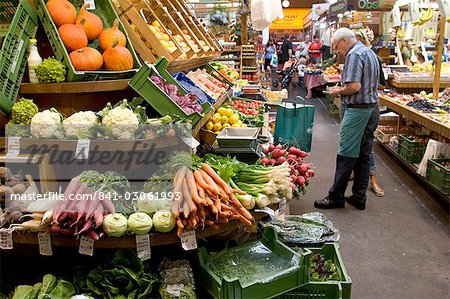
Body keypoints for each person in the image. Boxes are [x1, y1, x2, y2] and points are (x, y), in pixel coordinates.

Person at [314, 28, 380, 210]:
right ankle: (359, 197)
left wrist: (338, 91)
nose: (337, 52)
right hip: (372, 108)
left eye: (336, 47)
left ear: (344, 41)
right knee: (364, 154)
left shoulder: (354, 54)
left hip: (358, 110)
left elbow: (354, 86)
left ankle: (336, 197)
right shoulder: (369, 52)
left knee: (346, 154)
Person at [353, 29, 385, 197]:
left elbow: (382, 85)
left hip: (366, 107)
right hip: (365, 106)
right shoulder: (362, 56)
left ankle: (372, 180)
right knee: (358, 144)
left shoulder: (370, 58)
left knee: (366, 146)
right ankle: (356, 174)